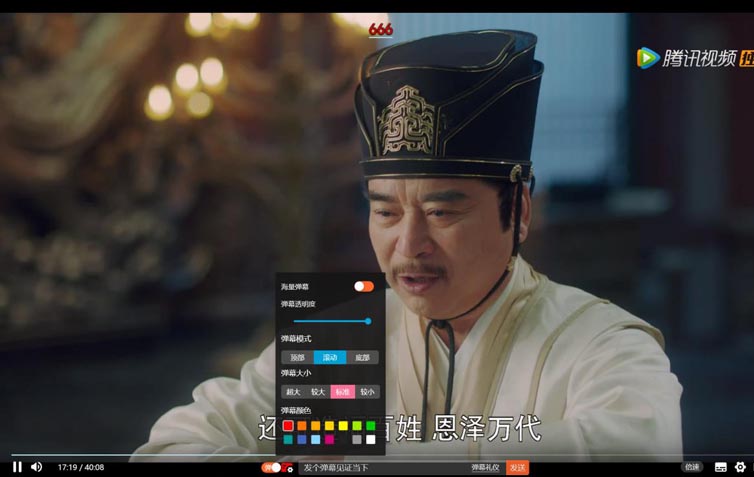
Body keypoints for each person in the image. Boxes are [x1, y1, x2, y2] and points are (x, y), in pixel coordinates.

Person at [132, 29, 683, 462]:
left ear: (518, 211)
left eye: (442, 212)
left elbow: (635, 450)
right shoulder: (340, 335)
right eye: (386, 212)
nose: (409, 245)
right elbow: (175, 444)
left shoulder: (601, 344)